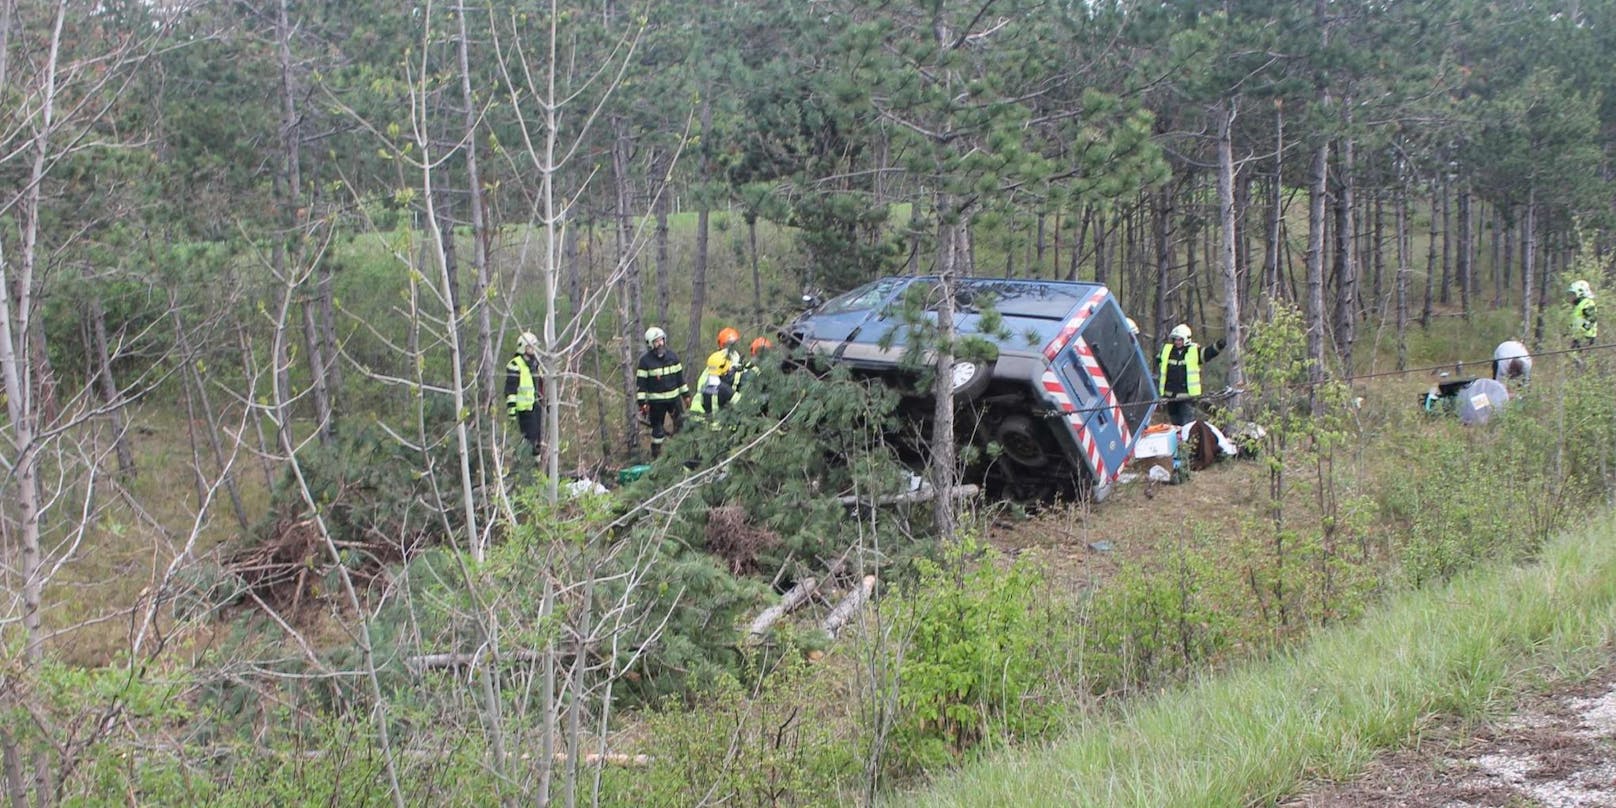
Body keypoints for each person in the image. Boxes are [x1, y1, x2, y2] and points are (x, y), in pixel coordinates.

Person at [1157, 323, 1226, 427]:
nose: (1177, 342)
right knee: (1175, 424)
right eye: (1175, 339)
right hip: (1169, 396)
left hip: (1187, 398)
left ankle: (1187, 443)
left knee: (1187, 425)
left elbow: (1207, 353)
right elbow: (1158, 360)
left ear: (1186, 339)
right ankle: (1179, 442)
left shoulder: (1193, 351)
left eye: (1180, 339)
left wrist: (1218, 346)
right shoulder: (1167, 350)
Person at [636, 326, 688, 459]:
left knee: (681, 427)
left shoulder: (673, 357)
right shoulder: (645, 362)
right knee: (657, 432)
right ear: (650, 344)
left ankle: (681, 456)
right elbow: (641, 386)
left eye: (661, 340)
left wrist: (686, 396)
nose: (660, 344)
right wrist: (642, 404)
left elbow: (680, 379)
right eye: (656, 341)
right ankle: (656, 458)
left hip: (674, 400)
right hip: (656, 403)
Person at [505, 331, 545, 462]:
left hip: (536, 406)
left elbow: (540, 384)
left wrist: (545, 402)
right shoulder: (515, 365)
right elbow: (511, 389)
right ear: (523, 347)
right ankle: (527, 467)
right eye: (531, 346)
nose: (534, 349)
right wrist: (511, 410)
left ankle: (538, 466)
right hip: (524, 409)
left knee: (539, 437)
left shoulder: (535, 364)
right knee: (530, 440)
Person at [1568, 279, 1597, 350]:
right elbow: (1579, 320)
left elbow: (1592, 319)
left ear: (1580, 293)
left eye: (1573, 294)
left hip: (1586, 338)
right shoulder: (1579, 305)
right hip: (1578, 337)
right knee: (1573, 357)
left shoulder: (1587, 303)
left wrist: (1582, 331)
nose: (1571, 297)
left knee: (1579, 358)